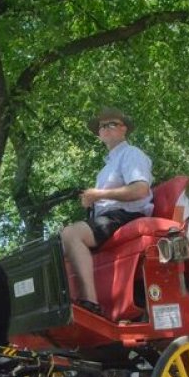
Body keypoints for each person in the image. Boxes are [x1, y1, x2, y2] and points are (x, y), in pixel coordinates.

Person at [60, 107, 153, 317]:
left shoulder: (132, 154)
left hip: (127, 216)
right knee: (55, 245)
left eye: (112, 124)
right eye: (103, 126)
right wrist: (91, 201)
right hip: (108, 219)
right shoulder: (106, 167)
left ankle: (90, 303)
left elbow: (140, 189)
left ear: (124, 129)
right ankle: (63, 303)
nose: (106, 128)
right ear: (99, 134)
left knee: (71, 234)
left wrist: (99, 195)